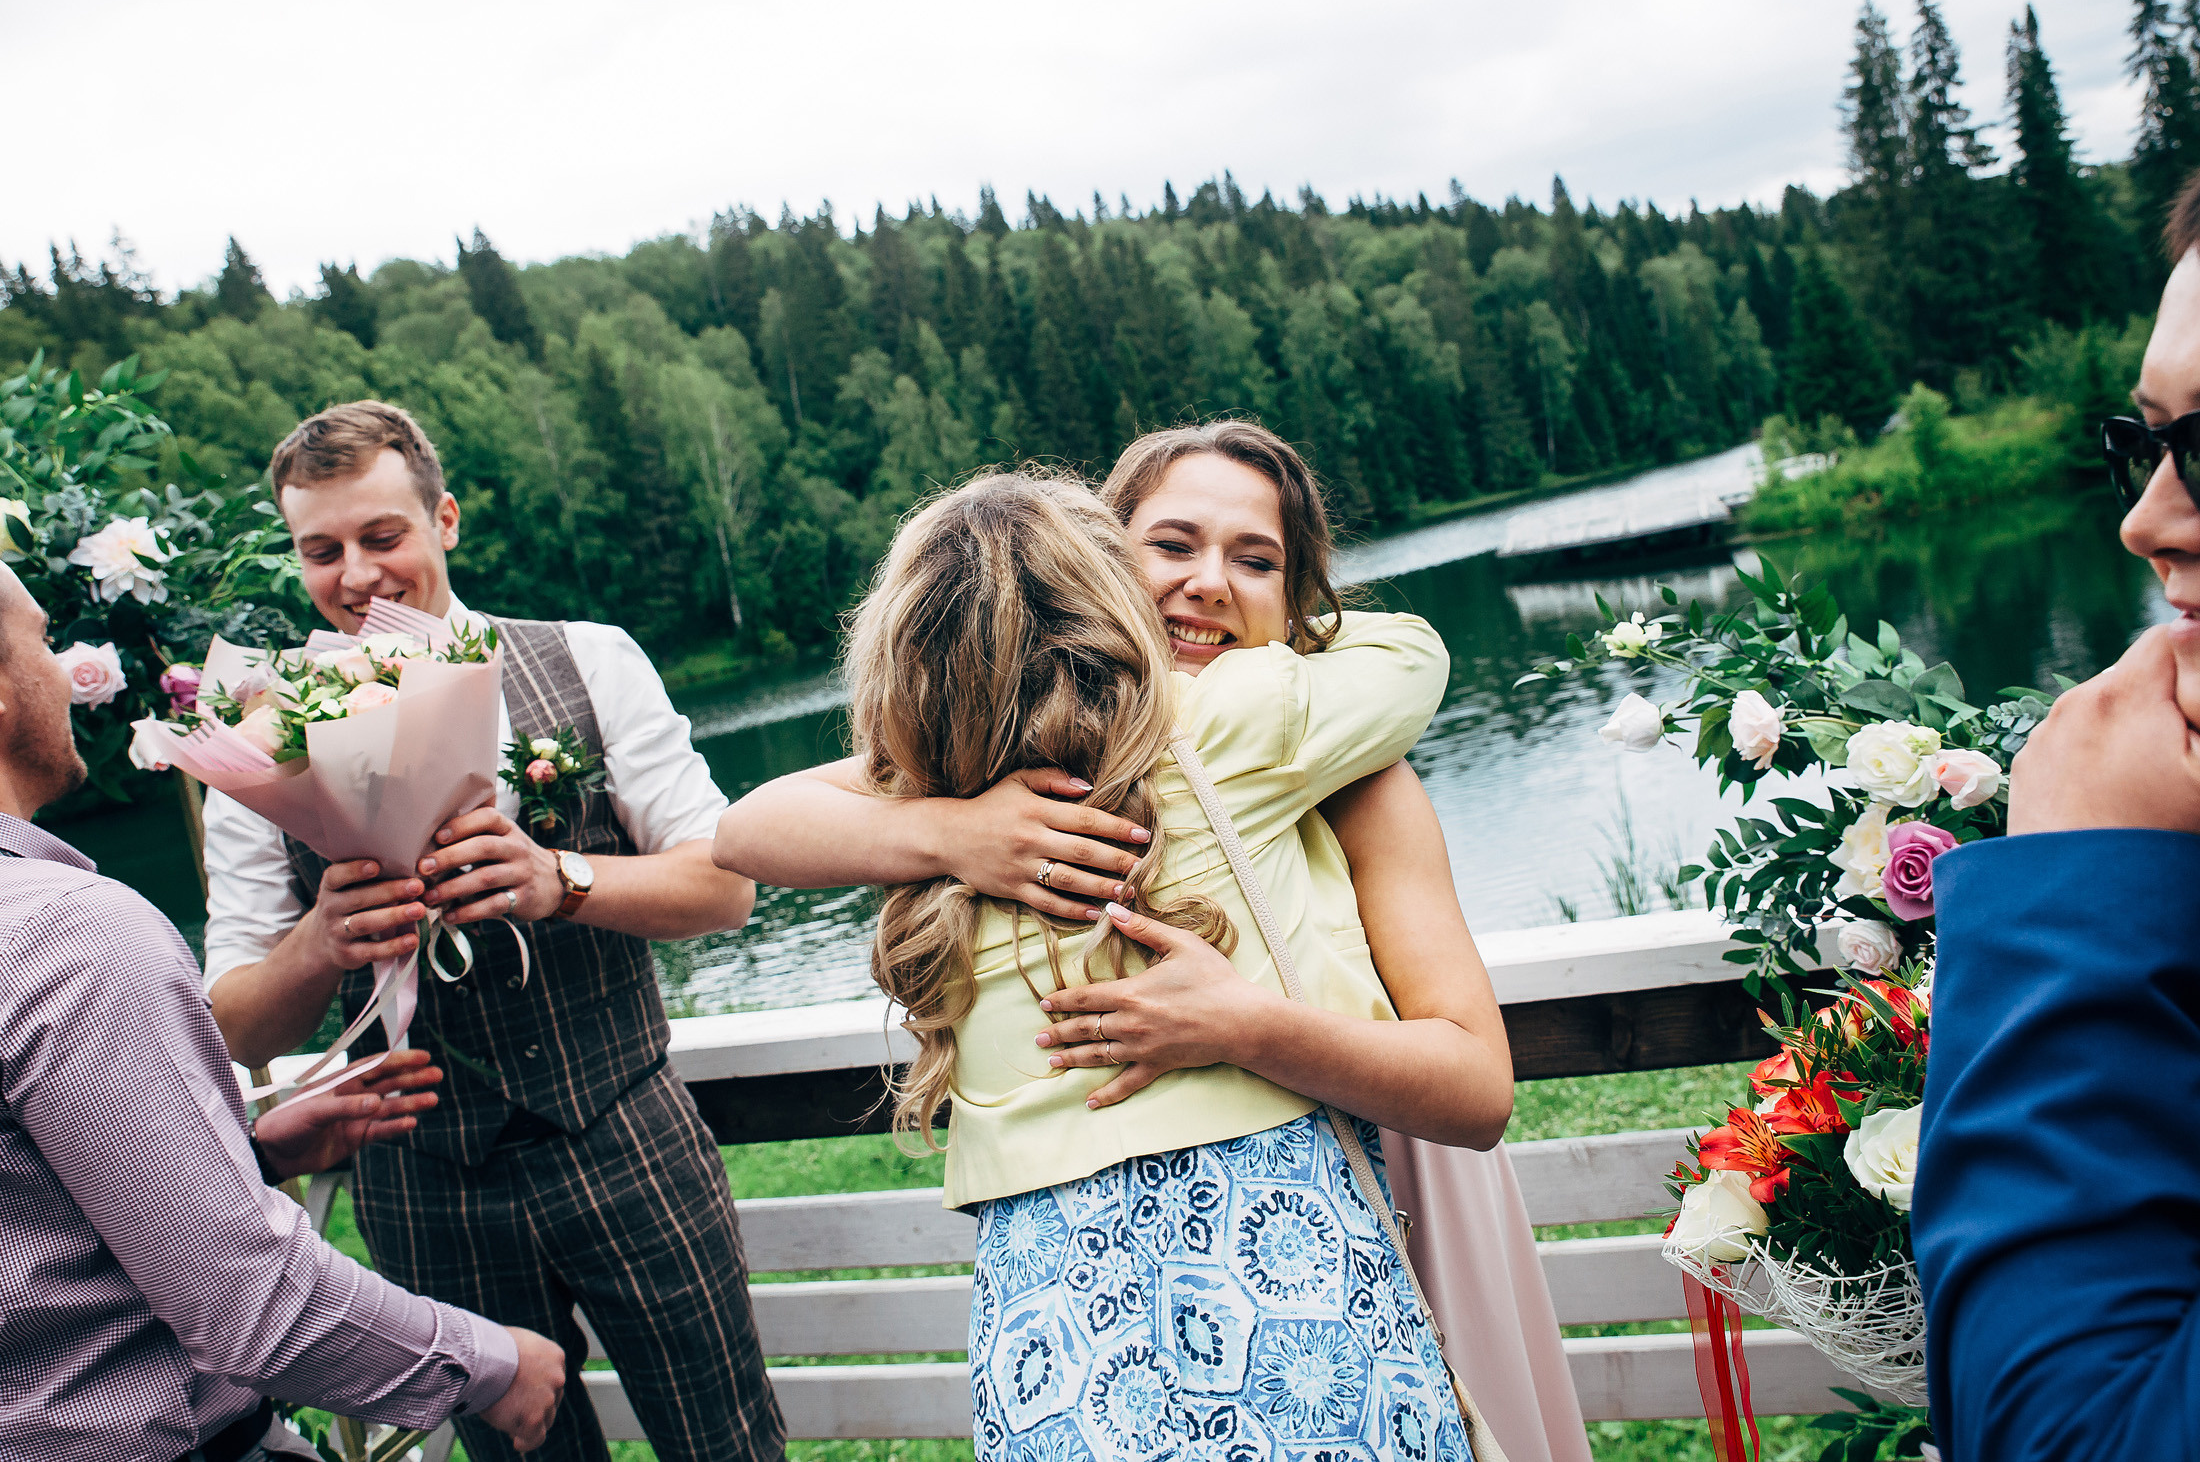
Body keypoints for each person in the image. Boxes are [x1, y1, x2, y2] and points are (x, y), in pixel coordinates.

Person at [714, 421, 1587, 1462]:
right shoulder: (964, 776)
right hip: (1221, 1285)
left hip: (1374, 1200)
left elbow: (1477, 1089)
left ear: (1303, 599)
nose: (1209, 584)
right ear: (1097, 561)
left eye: (1257, 560)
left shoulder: (1338, 762)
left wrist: (1247, 1028)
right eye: (1169, 546)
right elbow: (746, 828)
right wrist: (950, 830)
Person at [198, 402, 783, 1462]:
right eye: (320, 550)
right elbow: (232, 1027)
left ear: (446, 520)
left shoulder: (588, 662)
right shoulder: (258, 745)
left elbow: (727, 888)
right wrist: (320, 942)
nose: (357, 576)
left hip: (628, 1137)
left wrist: (561, 879)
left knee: (727, 1442)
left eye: (383, 536)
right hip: (423, 1187)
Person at [0, 560, 567, 1460]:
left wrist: (245, 1154)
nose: (67, 664)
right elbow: (249, 1302)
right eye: (38, 638)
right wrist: (490, 1365)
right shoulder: (69, 937)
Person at [1912, 186, 2200, 1461]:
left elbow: (2061, 1434)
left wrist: (2082, 859)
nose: (2143, 521)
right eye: (2151, 441)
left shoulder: (2102, 778)